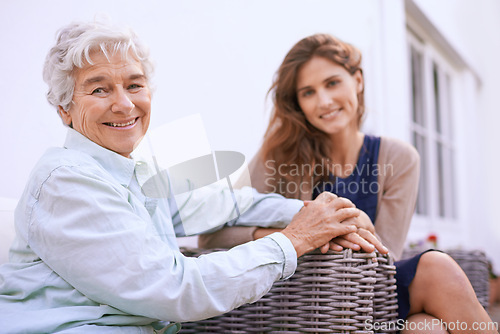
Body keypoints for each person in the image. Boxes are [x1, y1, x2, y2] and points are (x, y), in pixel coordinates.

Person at [0, 22, 386, 333]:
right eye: (99, 89)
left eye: (134, 84)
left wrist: (320, 214)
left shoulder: (139, 169)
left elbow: (234, 204)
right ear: (65, 110)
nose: (124, 103)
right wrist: (296, 238)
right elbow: (174, 288)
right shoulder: (67, 180)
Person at [199, 34, 497, 333]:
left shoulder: (399, 157)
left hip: (374, 295)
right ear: (298, 103)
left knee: (427, 321)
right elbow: (210, 236)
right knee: (426, 319)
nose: (324, 101)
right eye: (308, 92)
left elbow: (387, 254)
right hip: (312, 300)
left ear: (358, 80)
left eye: (332, 83)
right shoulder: (278, 154)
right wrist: (294, 236)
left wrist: (362, 224)